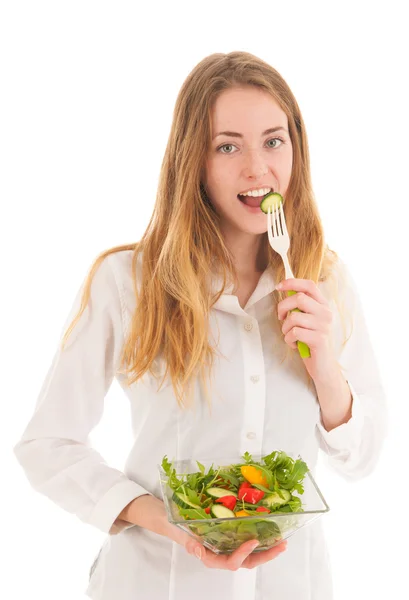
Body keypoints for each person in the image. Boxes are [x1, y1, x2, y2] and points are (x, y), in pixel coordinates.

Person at [13, 51, 387, 600]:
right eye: (228, 145)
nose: (257, 167)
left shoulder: (324, 280)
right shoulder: (127, 281)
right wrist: (170, 522)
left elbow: (364, 457)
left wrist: (325, 367)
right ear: (194, 161)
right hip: (154, 581)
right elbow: (47, 444)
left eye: (274, 141)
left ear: (296, 151)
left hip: (289, 585)